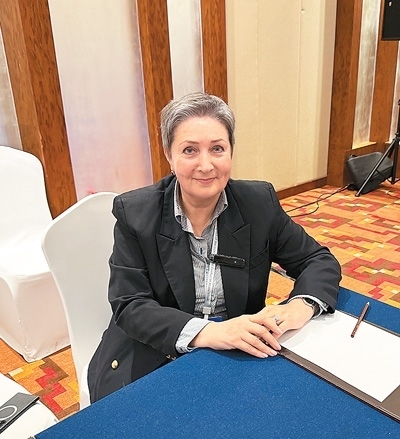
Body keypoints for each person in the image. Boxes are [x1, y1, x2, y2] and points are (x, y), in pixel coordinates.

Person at [88, 92, 341, 402]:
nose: (205, 165)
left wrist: (300, 306)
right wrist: (208, 332)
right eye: (190, 150)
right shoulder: (136, 213)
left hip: (234, 356)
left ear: (231, 151)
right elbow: (130, 305)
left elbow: (317, 259)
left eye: (217, 149)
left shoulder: (258, 203)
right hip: (155, 353)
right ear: (169, 156)